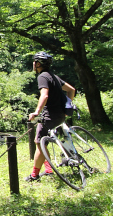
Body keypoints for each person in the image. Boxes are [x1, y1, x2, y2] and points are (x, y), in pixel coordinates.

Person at [25, 51, 76, 182]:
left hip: (50, 115)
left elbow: (45, 95)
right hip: (60, 116)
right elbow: (71, 90)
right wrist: (67, 107)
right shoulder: (54, 76)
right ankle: (48, 169)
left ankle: (35, 175)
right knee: (43, 142)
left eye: (34, 62)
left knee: (39, 142)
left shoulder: (42, 76)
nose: (33, 64)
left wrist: (36, 111)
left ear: (37, 64)